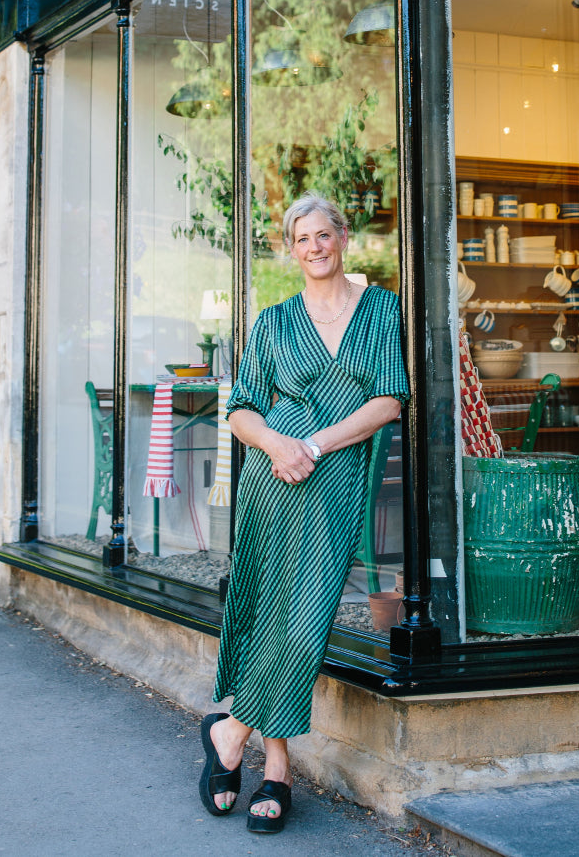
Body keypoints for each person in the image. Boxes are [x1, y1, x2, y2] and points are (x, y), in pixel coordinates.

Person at [198, 192, 409, 834]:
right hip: (273, 475)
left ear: (343, 238)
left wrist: (312, 444)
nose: (314, 248)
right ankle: (277, 770)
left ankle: (231, 731)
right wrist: (277, 444)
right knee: (273, 612)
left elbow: (388, 403)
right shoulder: (272, 320)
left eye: (324, 235)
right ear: (290, 249)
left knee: (307, 614)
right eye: (302, 239)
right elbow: (239, 409)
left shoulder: (380, 308)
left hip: (332, 473)